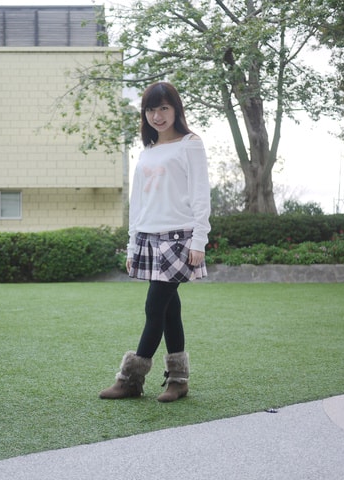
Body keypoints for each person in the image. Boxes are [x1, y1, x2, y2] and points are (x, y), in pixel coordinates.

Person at [99, 81, 211, 403]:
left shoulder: (190, 144)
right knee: (169, 311)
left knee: (154, 307)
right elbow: (138, 202)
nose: (157, 116)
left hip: (179, 238)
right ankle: (178, 380)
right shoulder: (147, 151)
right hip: (148, 236)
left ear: (176, 109)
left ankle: (130, 379)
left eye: (164, 108)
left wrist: (199, 240)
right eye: (151, 109)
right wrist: (132, 244)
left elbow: (201, 195)